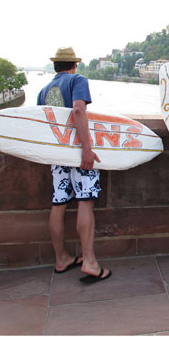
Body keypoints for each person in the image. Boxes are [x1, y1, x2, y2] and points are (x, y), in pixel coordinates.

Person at [37, 47, 112, 283]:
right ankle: (89, 262)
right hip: (78, 151)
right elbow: (78, 110)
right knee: (85, 201)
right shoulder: (78, 80)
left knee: (59, 202)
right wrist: (86, 149)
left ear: (55, 65)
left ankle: (62, 259)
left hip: (57, 154)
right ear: (74, 65)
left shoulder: (43, 90)